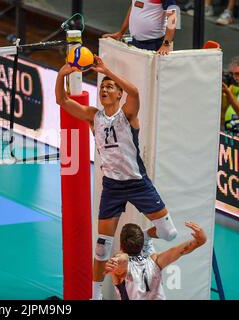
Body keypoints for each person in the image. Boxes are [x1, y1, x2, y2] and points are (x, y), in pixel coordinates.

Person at [55, 56, 179, 300]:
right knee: (102, 245)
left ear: (119, 95)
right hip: (112, 186)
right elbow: (62, 100)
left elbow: (134, 91)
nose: (104, 89)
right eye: (102, 86)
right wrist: (62, 74)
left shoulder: (128, 115)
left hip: (137, 183)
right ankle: (96, 295)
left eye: (110, 86)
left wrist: (106, 70)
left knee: (169, 233)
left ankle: (142, 236)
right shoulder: (94, 117)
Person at [104, 221, 206, 300]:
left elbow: (123, 258)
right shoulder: (155, 261)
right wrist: (201, 240)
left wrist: (115, 260)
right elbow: (178, 250)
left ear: (121, 246)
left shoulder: (122, 266)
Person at [102, 0, 178, 55]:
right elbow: (134, 6)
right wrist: (121, 32)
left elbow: (172, 17)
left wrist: (166, 44)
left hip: (155, 44)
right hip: (136, 42)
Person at [222, 56, 239, 130]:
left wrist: (228, 93)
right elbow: (222, 107)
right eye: (233, 74)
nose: (235, 78)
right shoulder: (236, 85)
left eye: (238, 74)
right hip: (230, 128)